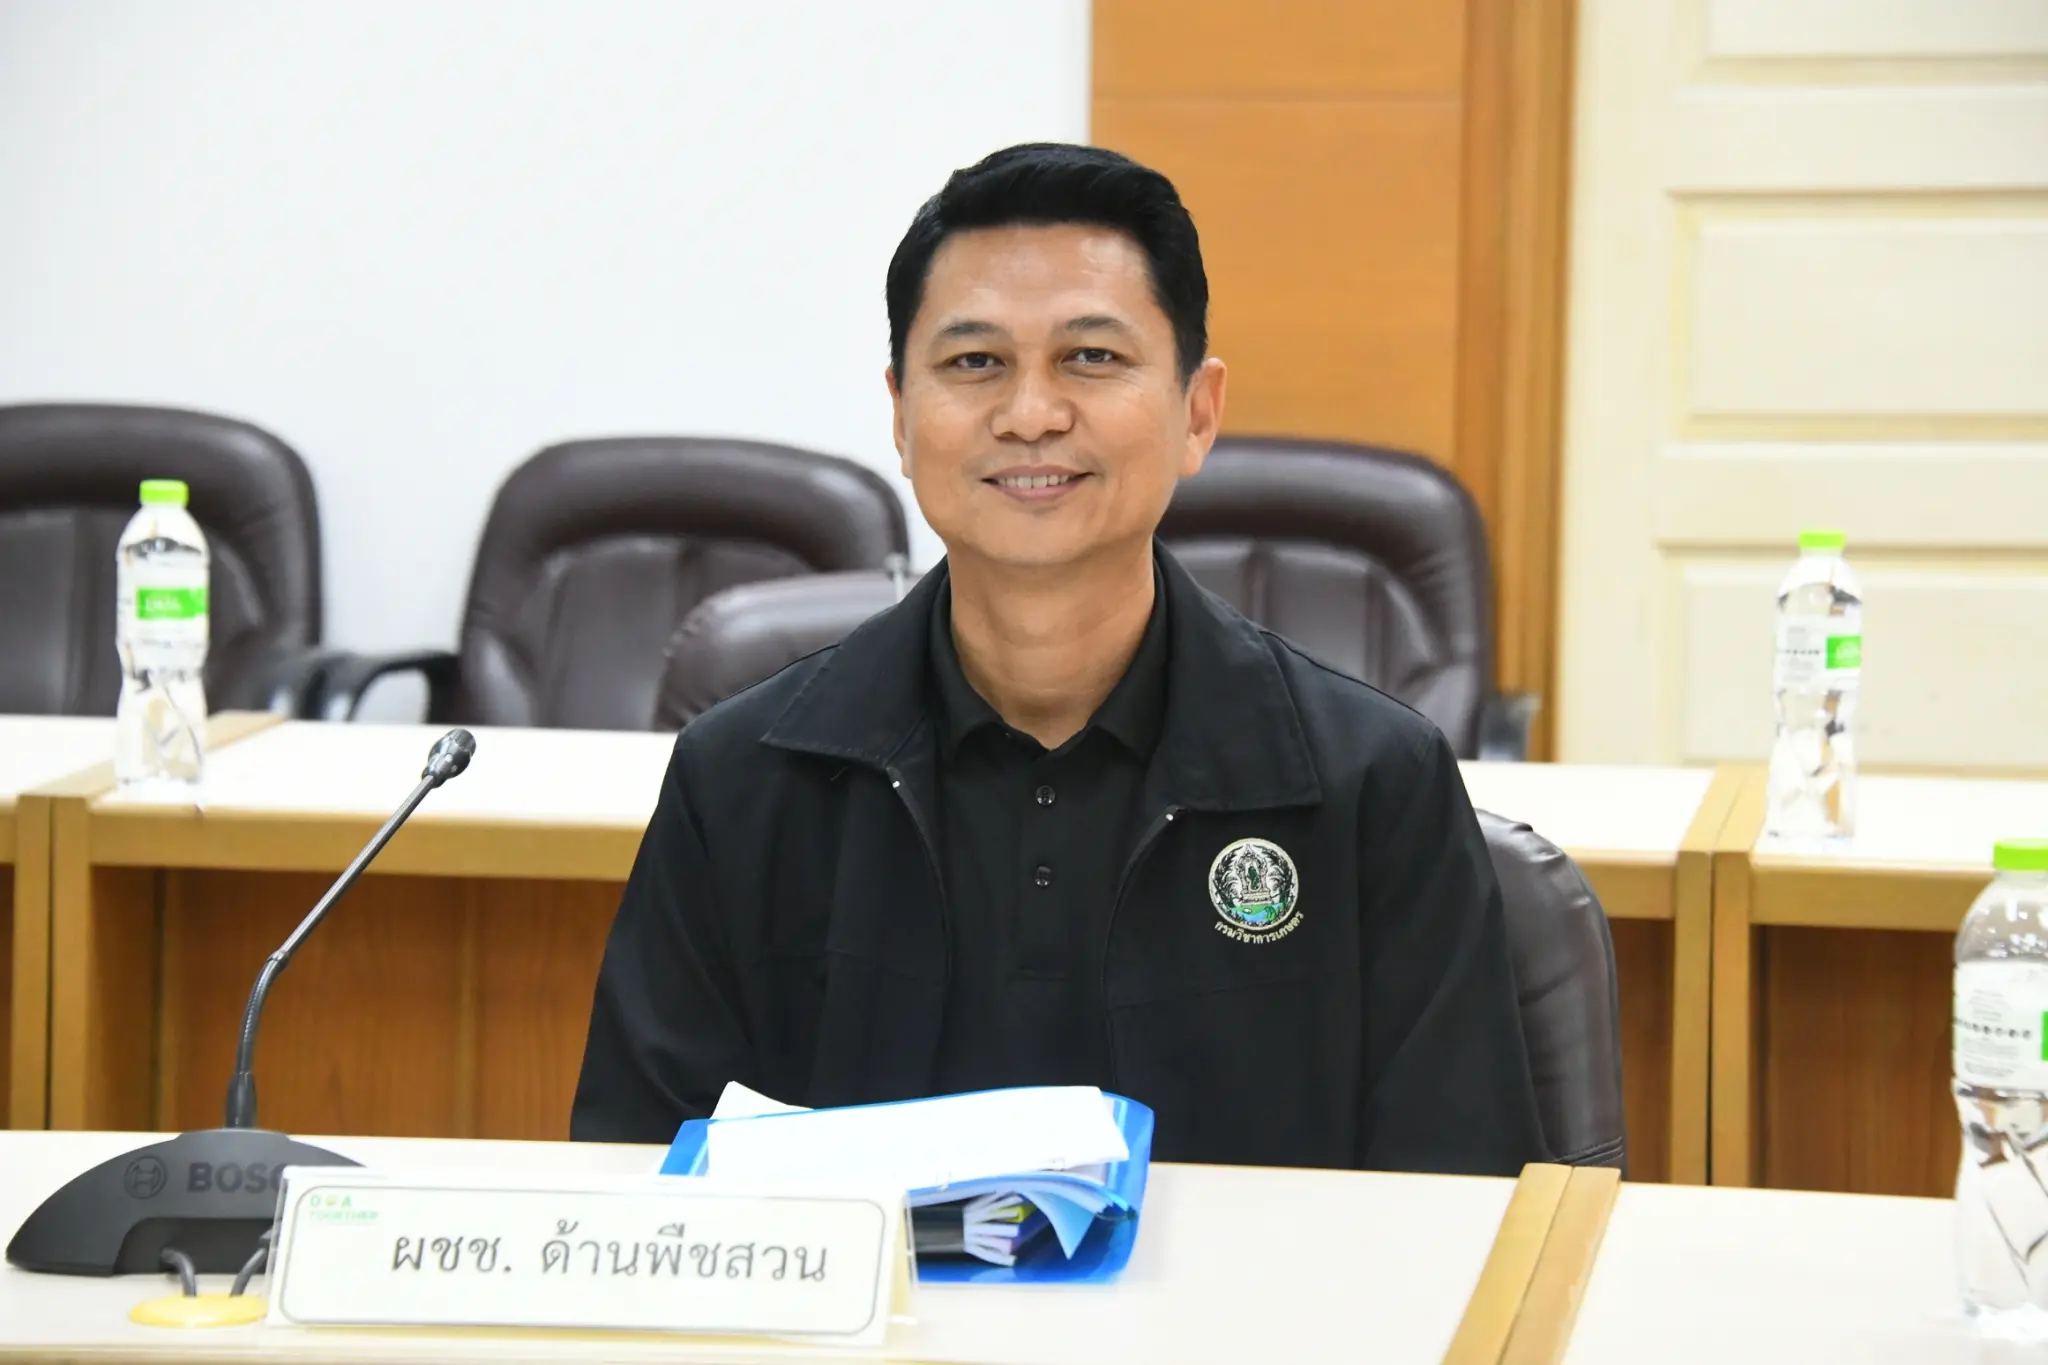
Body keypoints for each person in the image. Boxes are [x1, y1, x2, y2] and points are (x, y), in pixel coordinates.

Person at [571, 142, 1548, 1174]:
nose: (1030, 415)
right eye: (974, 363)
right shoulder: (740, 784)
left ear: (1197, 412)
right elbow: (640, 1190)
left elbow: (1461, 1213)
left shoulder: (1371, 786)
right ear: (900, 416)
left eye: (1090, 358)